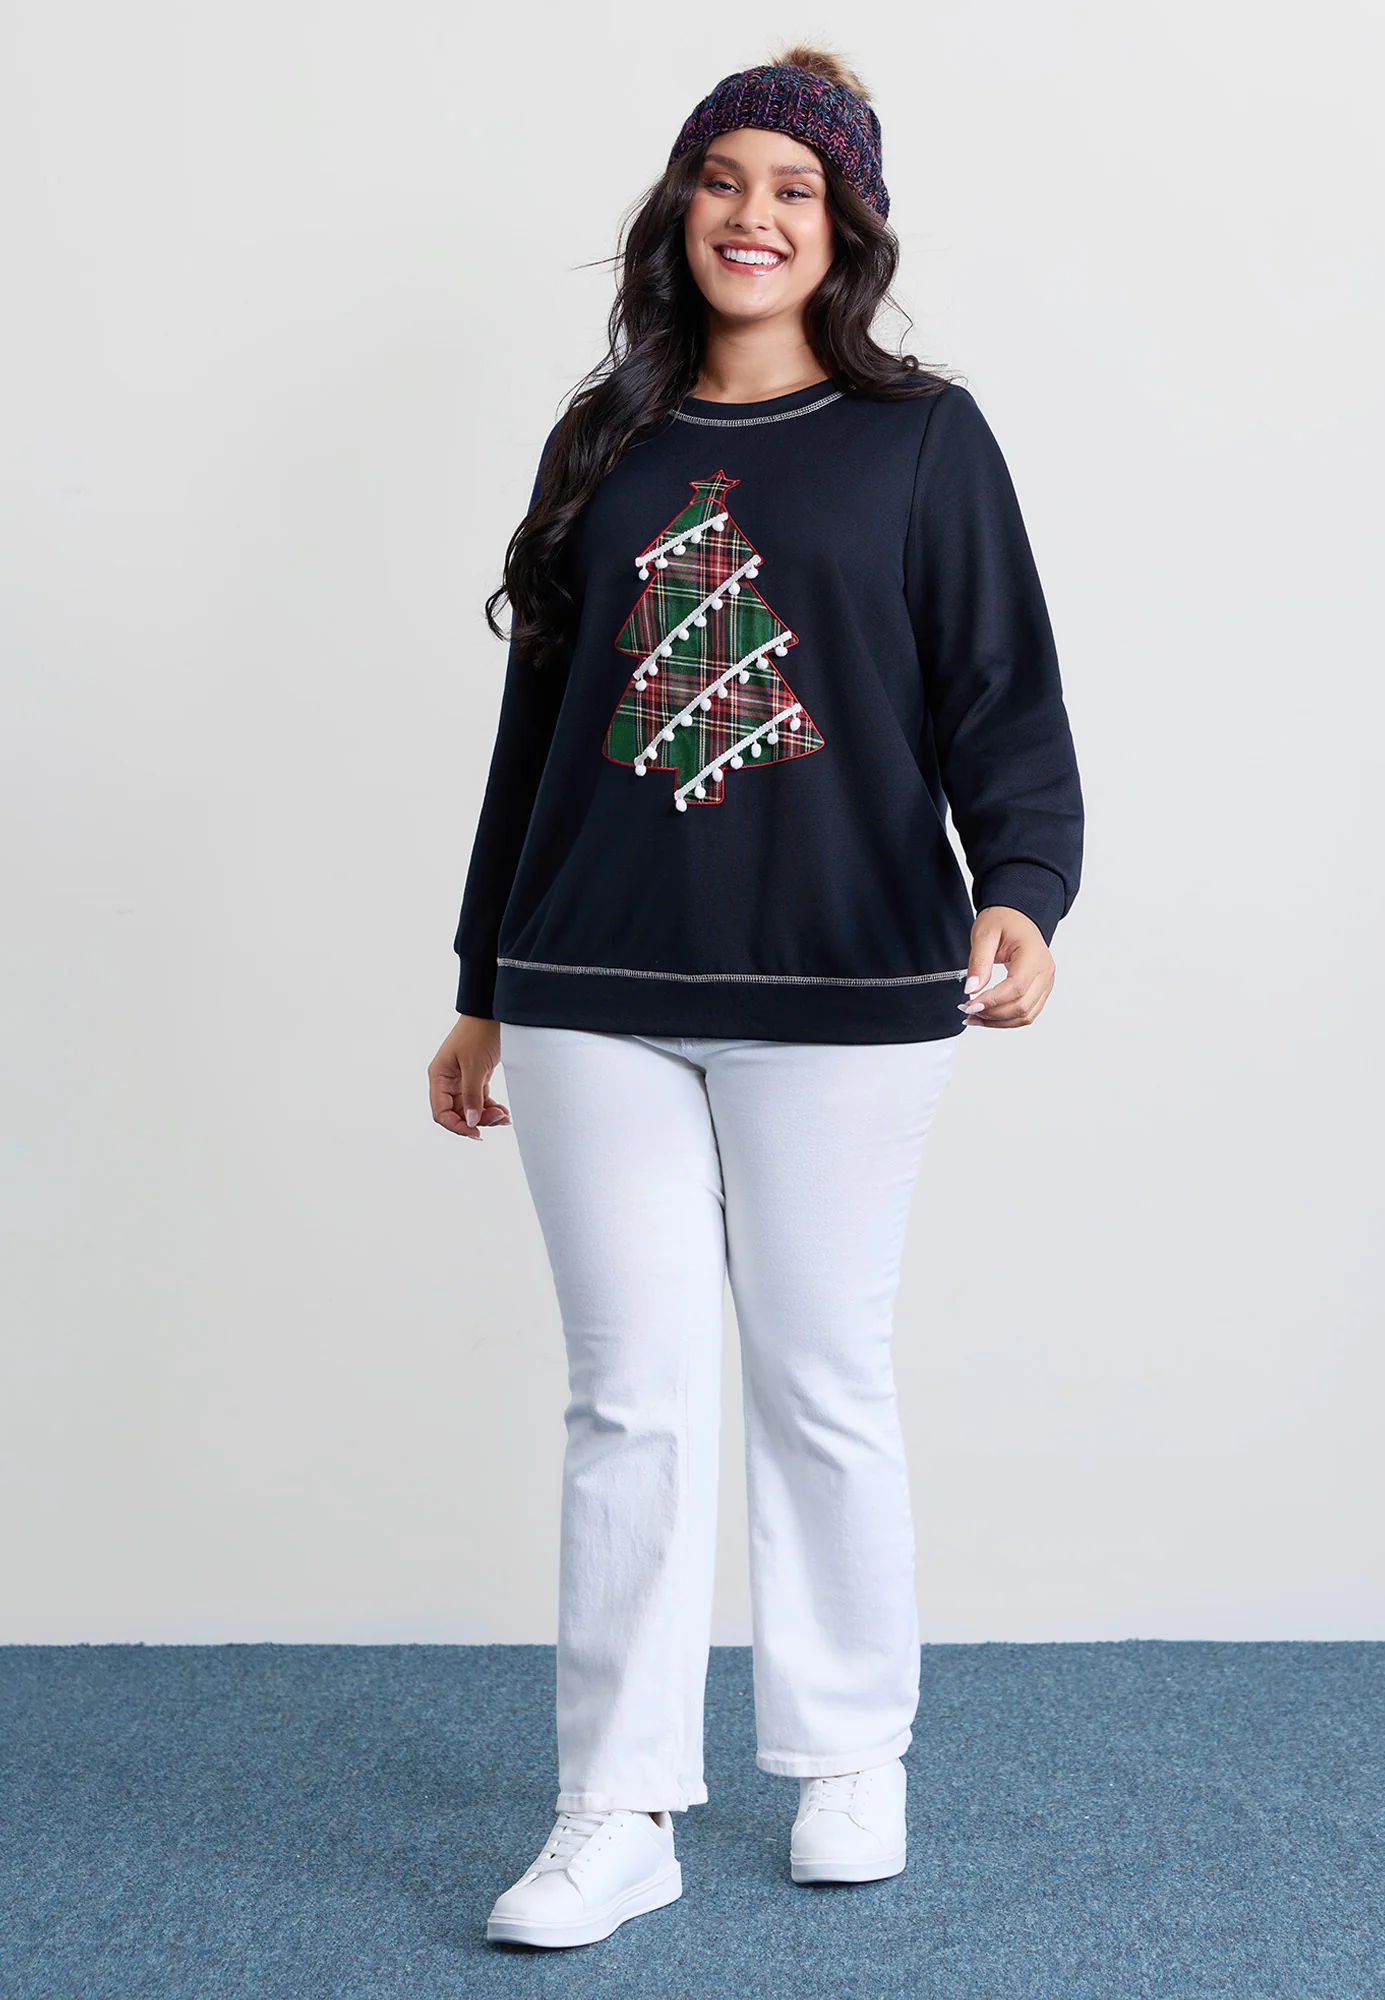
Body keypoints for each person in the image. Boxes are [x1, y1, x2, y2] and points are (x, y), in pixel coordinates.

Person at [427, 44, 1085, 1951]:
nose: (754, 215)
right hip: (588, 981)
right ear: (680, 208)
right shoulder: (604, 439)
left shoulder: (923, 439)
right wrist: (480, 983)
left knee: (820, 1374)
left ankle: (849, 1753)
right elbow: (535, 729)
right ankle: (614, 1806)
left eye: (794, 188)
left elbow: (1001, 687)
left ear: (845, 228)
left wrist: (1026, 888)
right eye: (724, 178)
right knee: (628, 1398)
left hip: (852, 975)